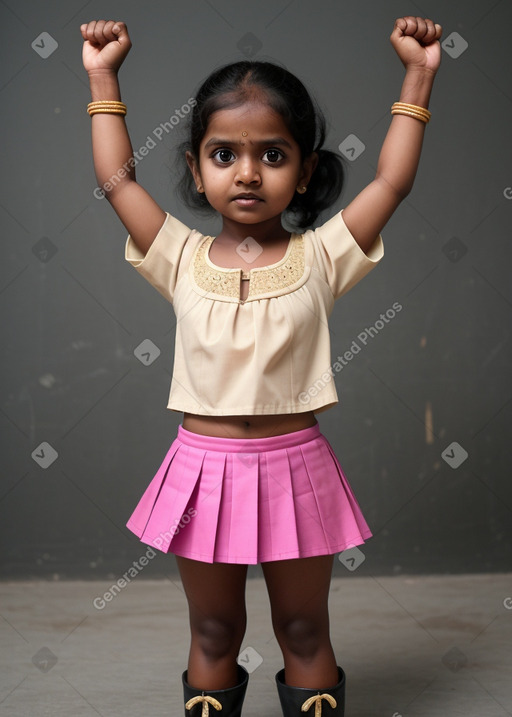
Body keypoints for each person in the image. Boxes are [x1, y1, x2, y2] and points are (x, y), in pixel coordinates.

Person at [81, 15, 442, 716]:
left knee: (304, 626)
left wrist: (419, 74)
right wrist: (102, 76)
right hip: (202, 470)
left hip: (296, 468)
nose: (247, 173)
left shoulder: (322, 256)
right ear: (194, 166)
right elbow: (114, 179)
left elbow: (391, 182)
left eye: (273, 155)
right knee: (214, 628)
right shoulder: (178, 254)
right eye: (224, 155)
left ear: (306, 169)